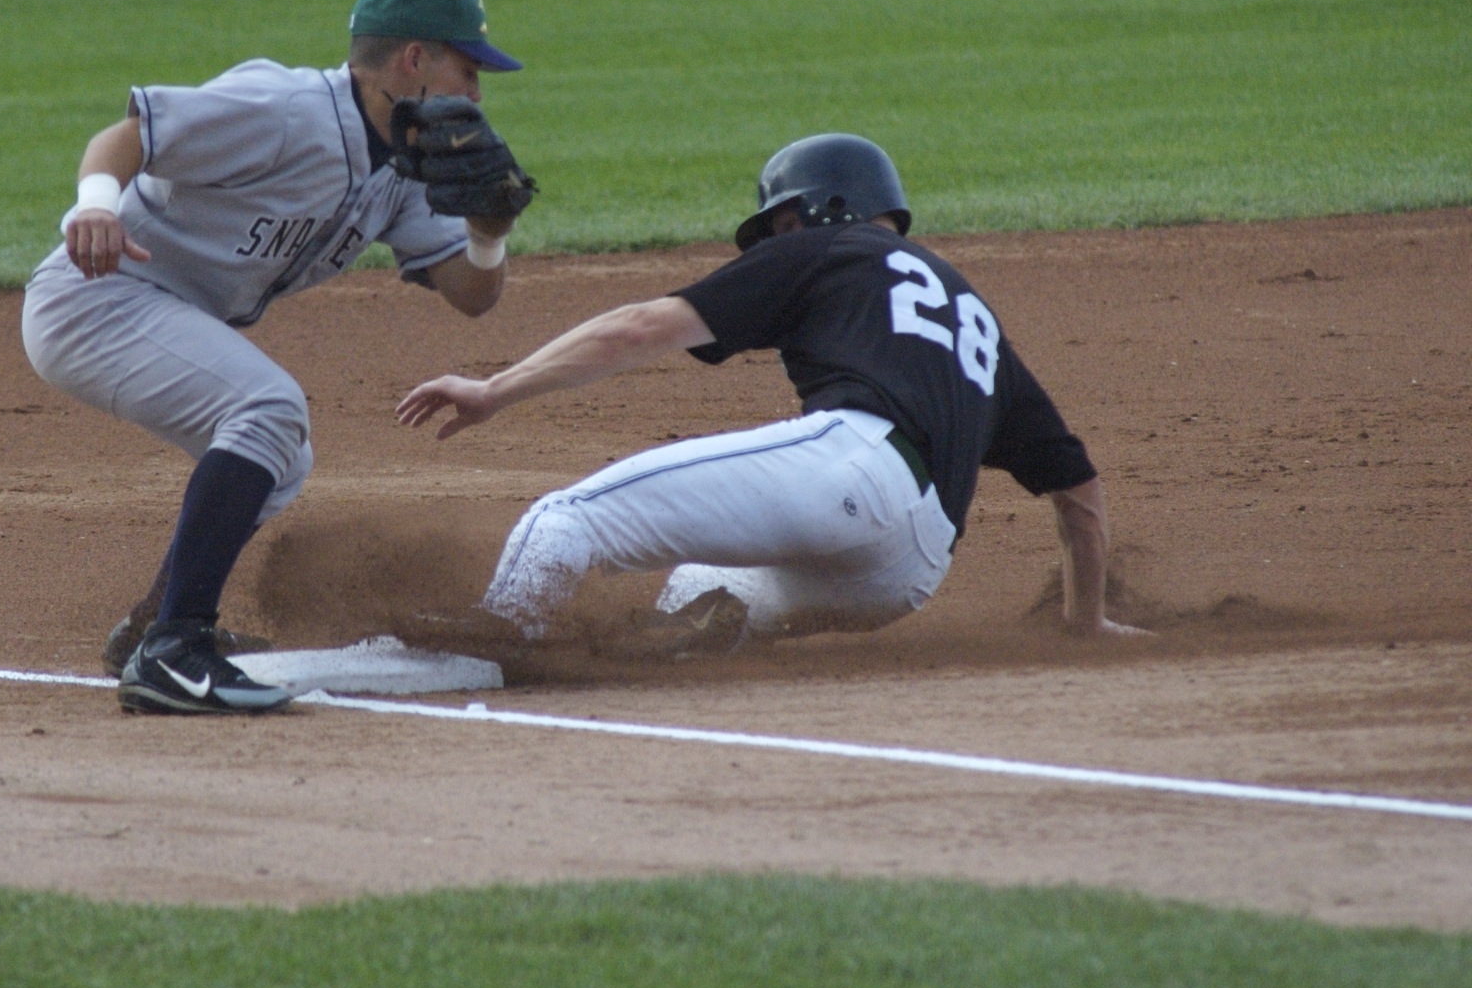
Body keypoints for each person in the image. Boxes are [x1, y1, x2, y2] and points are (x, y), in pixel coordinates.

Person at [397, 134, 1146, 650]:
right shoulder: (973, 318)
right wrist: (1086, 620)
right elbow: (1077, 489)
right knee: (699, 595)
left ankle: (497, 643)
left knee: (564, 521)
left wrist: (496, 388)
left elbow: (638, 328)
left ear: (828, 207)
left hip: (855, 470)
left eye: (785, 219)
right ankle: (679, 649)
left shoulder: (830, 248)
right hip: (907, 570)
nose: (777, 238)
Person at [24, 0, 533, 714]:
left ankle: (148, 628)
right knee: (268, 406)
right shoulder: (285, 108)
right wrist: (95, 207)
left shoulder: (406, 161)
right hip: (96, 295)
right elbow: (127, 137)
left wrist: (489, 234)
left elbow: (472, 297)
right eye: (469, 67)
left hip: (161, 309)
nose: (479, 93)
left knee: (283, 457)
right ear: (414, 61)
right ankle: (176, 651)